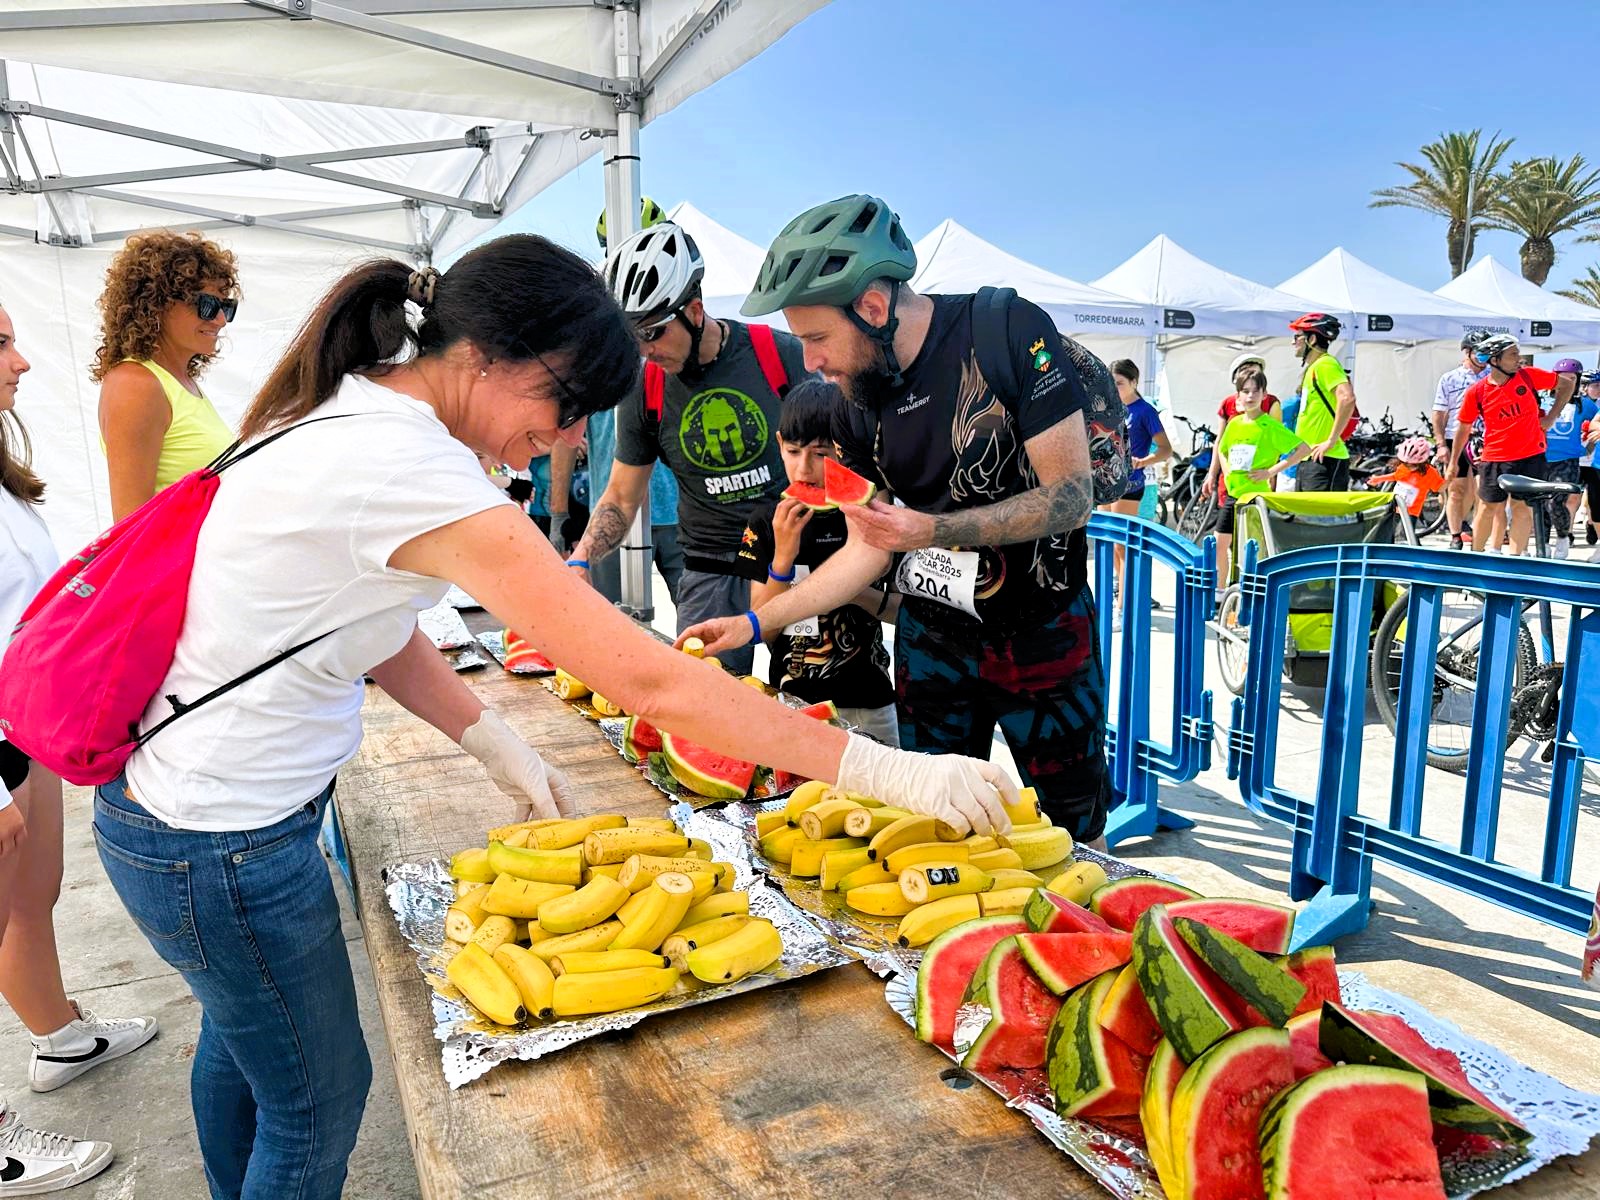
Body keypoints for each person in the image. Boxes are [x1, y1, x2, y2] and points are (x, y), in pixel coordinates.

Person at [88, 236, 1015, 1200]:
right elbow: (651, 684)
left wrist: (492, 740)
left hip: (179, 811)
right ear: (497, 357)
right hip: (220, 836)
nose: (569, 439)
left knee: (245, 1049)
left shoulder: (348, 408)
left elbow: (365, 624)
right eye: (566, 408)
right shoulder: (405, 462)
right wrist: (888, 772)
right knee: (316, 1105)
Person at [678, 194, 1112, 844]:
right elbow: (865, 550)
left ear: (873, 308)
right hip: (932, 644)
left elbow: (1072, 496)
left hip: (1043, 635)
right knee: (935, 828)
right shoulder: (855, 403)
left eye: (817, 338)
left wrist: (935, 531)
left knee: (1073, 835)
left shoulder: (1008, 330)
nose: (811, 362)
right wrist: (751, 622)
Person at [1, 304, 159, 1195]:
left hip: (22, 722)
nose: (22, 362)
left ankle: (60, 1038)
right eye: (0, 344)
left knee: (35, 894)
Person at [567, 222, 805, 674]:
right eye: (632, 338)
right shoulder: (644, 388)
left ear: (694, 311)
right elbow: (621, 495)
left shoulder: (781, 355)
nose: (644, 350)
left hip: (793, 558)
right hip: (709, 567)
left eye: (653, 332)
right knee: (704, 705)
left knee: (815, 703)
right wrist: (582, 559)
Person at [733, 380, 899, 744]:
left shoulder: (870, 514)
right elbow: (764, 627)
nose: (804, 468)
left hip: (870, 700)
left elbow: (903, 614)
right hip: (793, 701)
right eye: (793, 451)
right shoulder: (763, 522)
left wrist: (847, 587)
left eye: (822, 454)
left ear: (846, 451)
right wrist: (783, 556)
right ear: (779, 444)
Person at [549, 201, 685, 599]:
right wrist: (559, 514)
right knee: (608, 623)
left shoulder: (678, 330)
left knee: (704, 634)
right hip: (609, 513)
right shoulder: (594, 341)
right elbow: (564, 431)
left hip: (680, 513)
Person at [92, 232, 238, 522]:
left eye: (226, 307)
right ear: (156, 304)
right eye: (207, 305)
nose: (220, 319)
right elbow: (131, 526)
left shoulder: (180, 383)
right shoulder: (136, 385)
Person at [1447, 334, 1575, 555]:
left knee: (1521, 509)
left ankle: (1515, 563)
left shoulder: (1528, 376)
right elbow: (1463, 428)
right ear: (1495, 360)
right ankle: (1475, 558)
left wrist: (1552, 416)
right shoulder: (1477, 392)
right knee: (1487, 508)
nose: (1518, 358)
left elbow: (1567, 385)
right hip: (1495, 457)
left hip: (1531, 455)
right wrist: (1452, 463)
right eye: (1513, 354)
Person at [1214, 367, 1311, 567]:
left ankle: (1250, 591)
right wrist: (1226, 470)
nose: (1250, 396)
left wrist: (1270, 472)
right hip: (1233, 495)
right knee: (1219, 544)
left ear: (1264, 395)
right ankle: (1220, 593)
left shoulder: (1270, 425)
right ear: (1238, 396)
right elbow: (1222, 449)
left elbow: (1303, 449)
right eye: (1246, 391)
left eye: (1255, 391)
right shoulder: (1234, 423)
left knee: (1251, 550)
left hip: (1255, 497)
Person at [1203, 354, 1281, 593]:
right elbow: (1221, 442)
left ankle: (1245, 591)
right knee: (1222, 538)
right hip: (1231, 481)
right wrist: (1213, 473)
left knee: (1250, 541)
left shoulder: (1271, 403)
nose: (1250, 374)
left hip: (1257, 483)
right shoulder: (1228, 405)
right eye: (1244, 371)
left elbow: (1277, 445)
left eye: (1255, 370)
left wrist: (1271, 474)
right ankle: (1221, 591)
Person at [1101, 360, 1171, 595]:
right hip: (1105, 482)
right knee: (1110, 543)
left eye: (1119, 383)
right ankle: (1121, 594)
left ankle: (1125, 602)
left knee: (1123, 545)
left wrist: (1142, 461)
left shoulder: (1145, 411)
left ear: (1133, 382)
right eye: (1111, 383)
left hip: (1130, 484)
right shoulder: (1108, 407)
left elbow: (1165, 449)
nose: (1114, 387)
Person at [1432, 331, 1489, 549]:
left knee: (1482, 490)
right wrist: (1440, 445)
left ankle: (1478, 532)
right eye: (1480, 352)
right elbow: (1439, 414)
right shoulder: (1449, 378)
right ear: (1467, 351)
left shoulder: (1493, 376)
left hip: (1485, 439)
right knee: (1456, 489)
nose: (1484, 357)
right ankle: (1455, 535)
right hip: (1455, 437)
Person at [1289, 313, 1356, 491]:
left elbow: (1347, 398)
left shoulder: (1325, 364)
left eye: (1297, 337)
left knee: (1320, 518)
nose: (1292, 342)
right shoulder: (1314, 368)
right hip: (1310, 458)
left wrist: (1331, 440)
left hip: (1325, 459)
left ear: (1311, 339)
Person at [1541, 358, 1594, 558]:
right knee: (1542, 504)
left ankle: (1563, 537)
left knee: (1556, 503)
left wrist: (1590, 445)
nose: (1567, 383)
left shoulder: (1584, 404)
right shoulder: (1543, 400)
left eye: (1572, 379)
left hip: (1568, 460)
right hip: (1542, 458)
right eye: (1563, 378)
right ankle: (1543, 543)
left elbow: (1597, 421)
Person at [1370, 437, 1446, 527]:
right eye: (1406, 463)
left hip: (1411, 512)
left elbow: (1439, 487)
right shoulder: (1403, 467)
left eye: (1413, 464)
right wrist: (1379, 479)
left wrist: (1451, 477)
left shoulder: (1430, 473)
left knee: (1406, 535)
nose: (1409, 467)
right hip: (1396, 507)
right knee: (1388, 532)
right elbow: (1395, 476)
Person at [1579, 370, 1600, 550]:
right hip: (1582, 455)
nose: (1599, 389)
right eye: (1596, 386)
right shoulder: (1579, 404)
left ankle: (1591, 521)